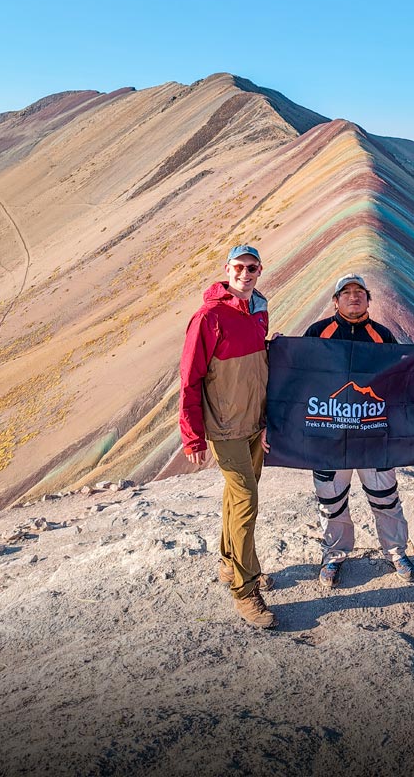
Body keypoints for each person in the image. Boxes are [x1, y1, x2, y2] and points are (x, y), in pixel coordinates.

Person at [179, 244, 277, 629]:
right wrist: (193, 436)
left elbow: (259, 368)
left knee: (236, 500)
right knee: (246, 501)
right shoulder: (207, 318)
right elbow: (190, 379)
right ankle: (245, 590)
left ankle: (228, 562)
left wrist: (269, 417)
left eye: (252, 267)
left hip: (254, 423)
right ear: (227, 269)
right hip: (224, 427)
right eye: (239, 267)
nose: (246, 273)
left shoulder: (259, 311)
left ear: (259, 270)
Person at [302, 274, 414, 589]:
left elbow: (398, 381)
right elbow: (299, 374)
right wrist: (282, 349)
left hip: (371, 434)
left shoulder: (382, 336)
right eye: (346, 292)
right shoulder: (318, 332)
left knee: (385, 497)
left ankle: (396, 552)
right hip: (329, 434)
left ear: (368, 299)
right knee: (332, 499)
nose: (353, 297)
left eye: (359, 292)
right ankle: (334, 553)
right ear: (336, 301)